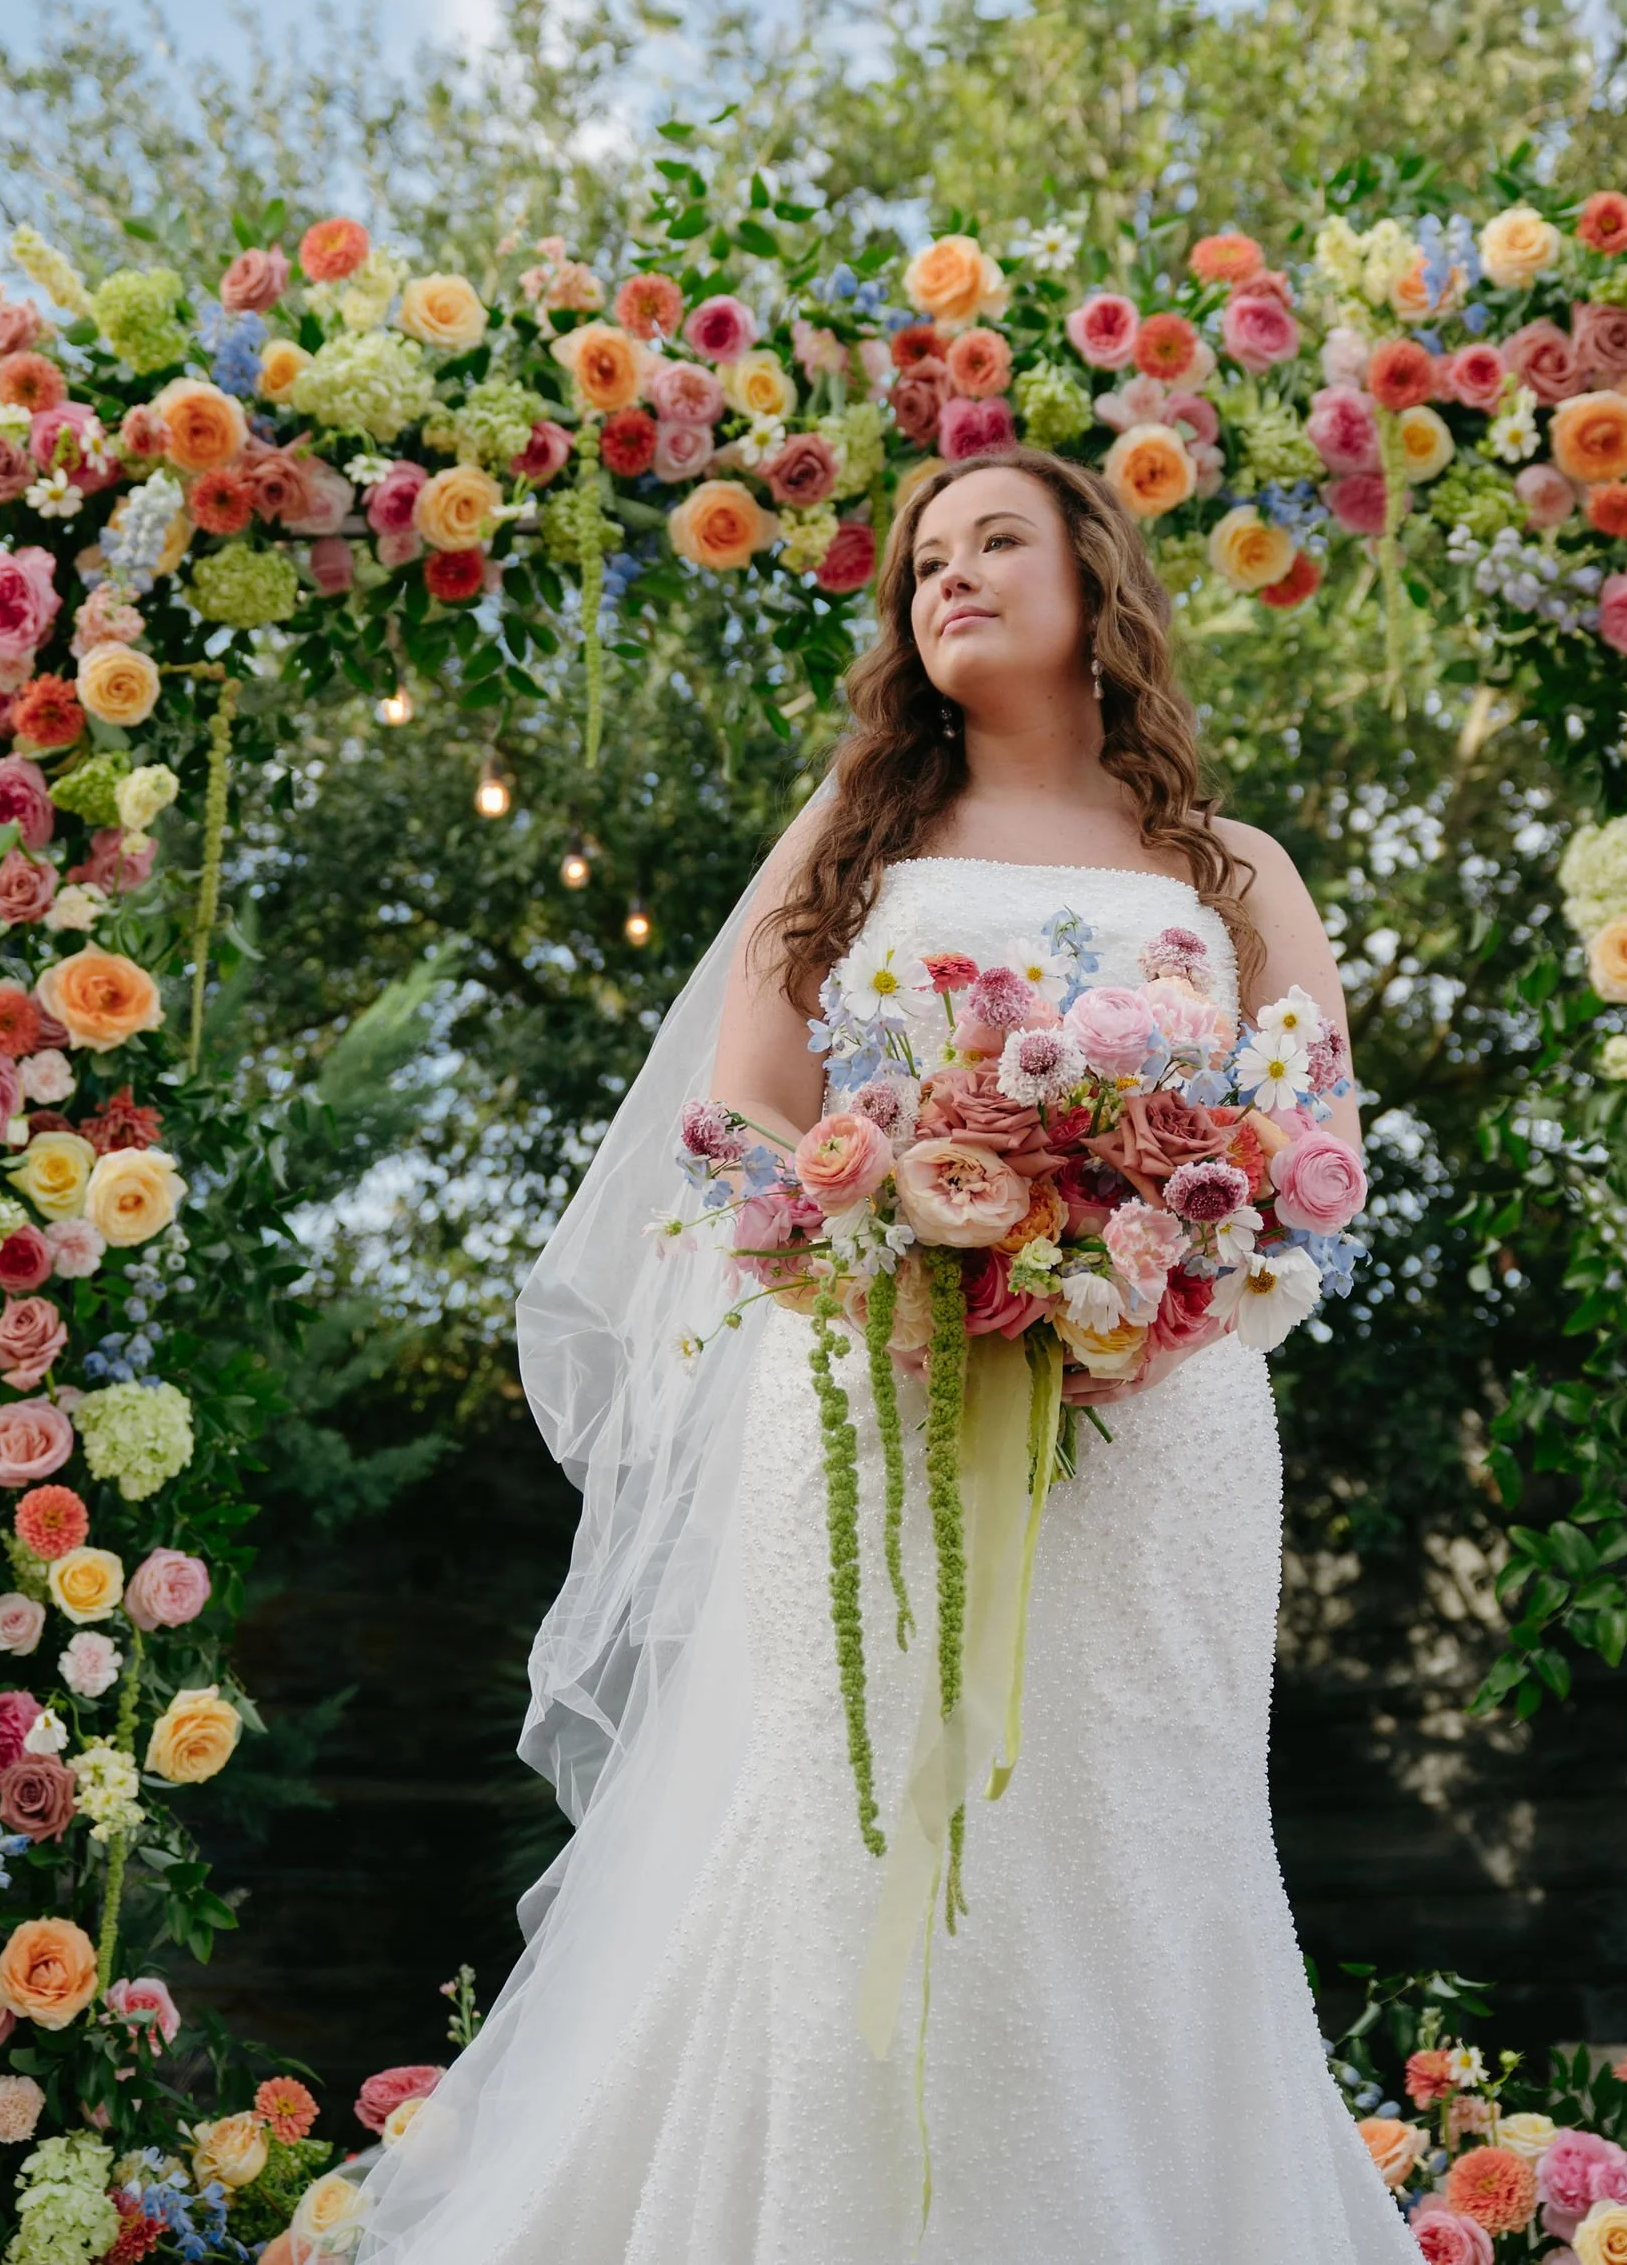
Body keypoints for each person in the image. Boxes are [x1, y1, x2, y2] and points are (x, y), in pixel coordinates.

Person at [351, 449, 1415, 2265]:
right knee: (854, 1827)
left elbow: (1316, 1163)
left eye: (999, 540)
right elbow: (743, 1122)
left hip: (1161, 1438)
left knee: (1138, 1840)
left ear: (1099, 585)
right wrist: (890, 1223)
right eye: (926, 558)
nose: (951, 576)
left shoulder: (1231, 871)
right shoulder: (863, 838)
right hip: (872, 1402)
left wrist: (1144, 1295)